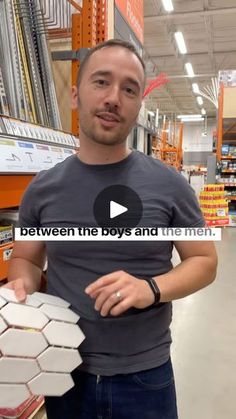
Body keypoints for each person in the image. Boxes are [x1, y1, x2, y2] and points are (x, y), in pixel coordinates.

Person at [4, 39, 217, 419]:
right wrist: (22, 285)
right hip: (62, 369)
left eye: (129, 89)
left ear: (138, 105)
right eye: (101, 82)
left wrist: (150, 288)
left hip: (145, 377)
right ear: (75, 94)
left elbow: (203, 260)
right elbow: (26, 259)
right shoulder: (43, 188)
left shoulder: (170, 185)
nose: (114, 98)